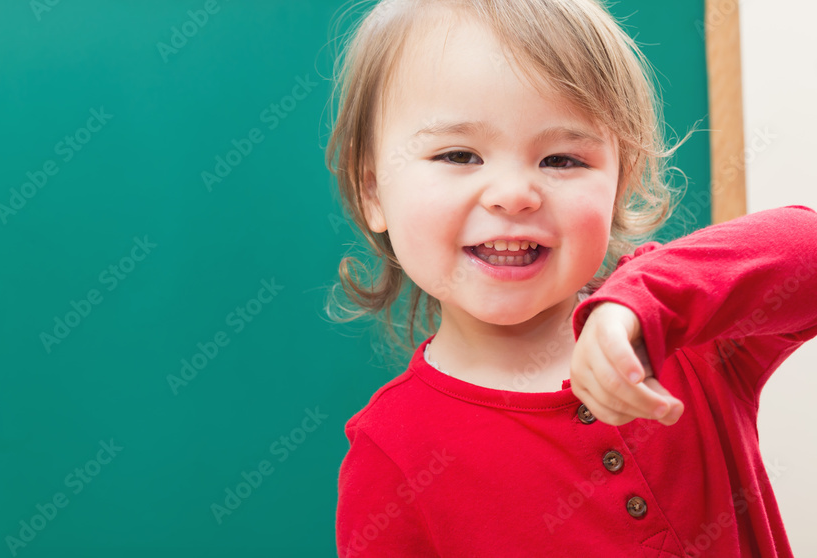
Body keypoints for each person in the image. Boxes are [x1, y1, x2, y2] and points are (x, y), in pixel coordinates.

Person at [322, 0, 817, 556]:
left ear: (619, 185)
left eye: (562, 160)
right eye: (459, 154)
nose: (513, 194)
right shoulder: (392, 451)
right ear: (372, 192)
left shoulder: (684, 329)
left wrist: (637, 308)